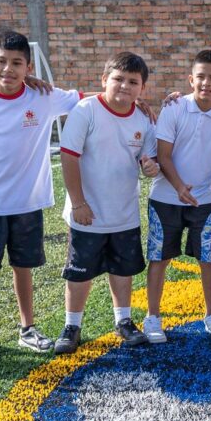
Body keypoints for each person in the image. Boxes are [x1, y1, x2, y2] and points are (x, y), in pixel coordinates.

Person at [0, 29, 84, 365]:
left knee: (23, 266)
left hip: (26, 201)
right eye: (2, 62)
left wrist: (129, 96)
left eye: (17, 63)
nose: (8, 69)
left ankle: (28, 328)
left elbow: (90, 97)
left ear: (29, 66)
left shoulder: (43, 96)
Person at [52, 52, 160, 354]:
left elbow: (147, 160)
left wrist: (151, 167)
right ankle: (72, 325)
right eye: (118, 79)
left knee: (122, 270)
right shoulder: (86, 110)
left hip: (124, 213)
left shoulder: (143, 119)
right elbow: (69, 156)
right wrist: (78, 203)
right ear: (103, 80)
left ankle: (123, 321)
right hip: (87, 213)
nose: (124, 86)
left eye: (133, 82)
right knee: (79, 272)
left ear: (142, 88)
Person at [143, 49, 211, 343]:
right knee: (159, 259)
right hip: (165, 199)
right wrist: (180, 186)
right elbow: (164, 155)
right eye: (201, 77)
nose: (206, 84)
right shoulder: (174, 108)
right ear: (190, 79)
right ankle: (153, 316)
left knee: (209, 259)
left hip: (203, 203)